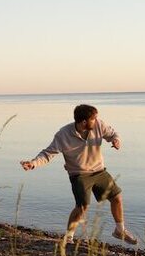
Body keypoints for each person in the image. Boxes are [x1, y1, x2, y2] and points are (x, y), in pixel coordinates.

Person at [20, 104, 137, 245]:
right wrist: (33, 163)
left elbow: (112, 134)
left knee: (117, 197)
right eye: (93, 119)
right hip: (79, 174)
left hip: (99, 171)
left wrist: (116, 140)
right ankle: (69, 237)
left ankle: (120, 230)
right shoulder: (63, 134)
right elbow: (48, 153)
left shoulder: (99, 125)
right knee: (83, 206)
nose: (96, 120)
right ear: (83, 122)